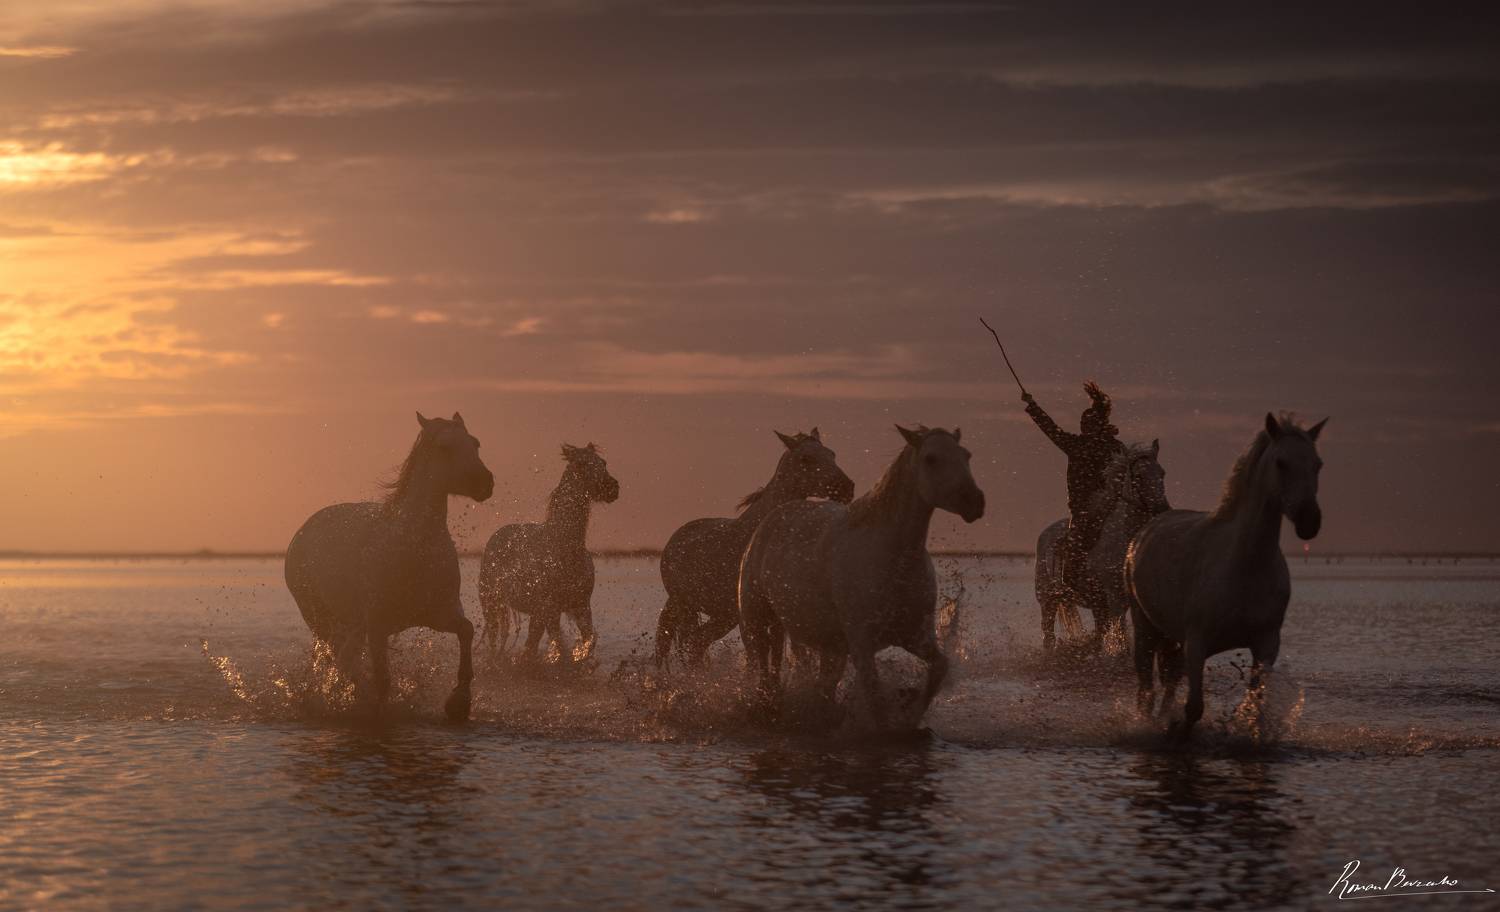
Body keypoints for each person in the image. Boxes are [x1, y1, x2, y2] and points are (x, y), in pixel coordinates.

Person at [1023, 381, 1125, 592]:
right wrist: (1032, 407)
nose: (1083, 427)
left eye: (1088, 423)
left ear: (1099, 424)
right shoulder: (1084, 445)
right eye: (1082, 423)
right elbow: (1051, 429)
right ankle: (1070, 578)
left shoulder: (1109, 447)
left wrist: (1033, 406)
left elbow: (1051, 429)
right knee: (1077, 536)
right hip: (1086, 509)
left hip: (1106, 508)